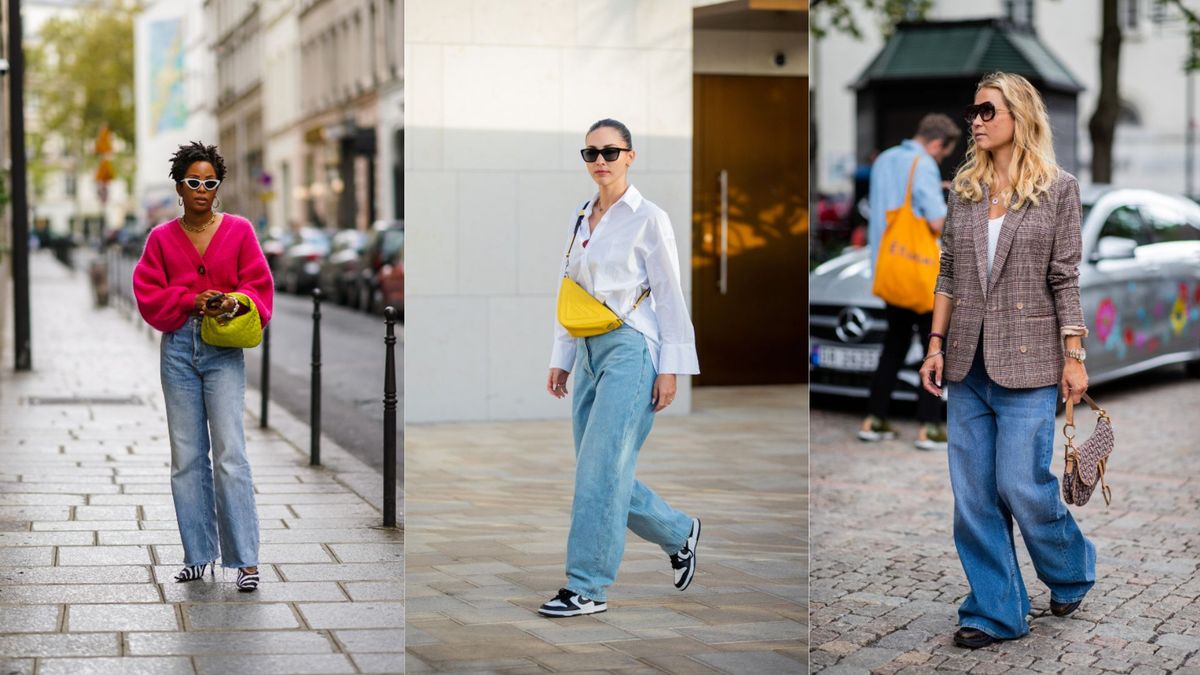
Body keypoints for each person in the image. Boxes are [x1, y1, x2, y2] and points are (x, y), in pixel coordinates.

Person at [918, 72, 1094, 648]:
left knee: (1022, 484)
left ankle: (1070, 569)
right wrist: (935, 344)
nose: (977, 120)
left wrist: (1074, 355)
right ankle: (994, 611)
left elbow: (1065, 278)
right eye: (973, 112)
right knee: (973, 499)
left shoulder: (1058, 188)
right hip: (966, 365)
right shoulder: (964, 188)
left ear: (1019, 114)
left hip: (1030, 366)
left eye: (987, 111)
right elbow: (948, 272)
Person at [539, 119, 701, 618]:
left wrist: (671, 367)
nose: (600, 160)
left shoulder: (649, 217)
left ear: (631, 155)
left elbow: (671, 294)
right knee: (601, 470)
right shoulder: (580, 216)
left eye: (610, 151)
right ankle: (678, 532)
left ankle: (586, 586)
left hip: (633, 349)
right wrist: (561, 357)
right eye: (590, 153)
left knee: (600, 469)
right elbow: (574, 292)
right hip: (587, 351)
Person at [133, 142, 274, 592]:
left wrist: (233, 301)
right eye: (193, 182)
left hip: (222, 351)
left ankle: (246, 561)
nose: (201, 190)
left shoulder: (239, 231)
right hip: (178, 348)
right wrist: (186, 301)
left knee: (231, 453)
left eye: (210, 183)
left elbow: (259, 285)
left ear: (218, 188)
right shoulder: (160, 238)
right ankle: (198, 554)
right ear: (179, 187)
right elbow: (148, 293)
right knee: (187, 457)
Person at [859, 114, 961, 450]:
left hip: (889, 269)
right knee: (932, 345)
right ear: (936, 144)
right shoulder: (923, 164)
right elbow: (935, 221)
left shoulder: (885, 159)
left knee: (894, 344)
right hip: (919, 273)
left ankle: (874, 419)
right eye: (942, 154)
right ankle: (929, 425)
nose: (939, 158)